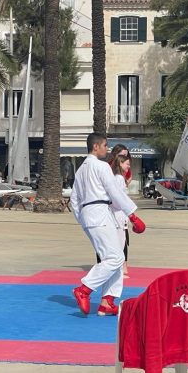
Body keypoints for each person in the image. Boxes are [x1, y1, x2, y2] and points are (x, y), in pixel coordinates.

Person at [70, 133, 146, 316]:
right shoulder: (102, 166)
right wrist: (133, 215)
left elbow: (74, 200)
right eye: (104, 145)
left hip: (90, 215)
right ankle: (85, 289)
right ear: (95, 146)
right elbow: (115, 192)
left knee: (113, 257)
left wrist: (83, 219)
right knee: (115, 258)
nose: (107, 148)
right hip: (100, 213)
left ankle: (107, 301)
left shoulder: (80, 170)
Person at [96, 144, 133, 267]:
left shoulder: (120, 176)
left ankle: (122, 265)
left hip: (118, 212)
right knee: (115, 240)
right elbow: (117, 197)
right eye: (123, 157)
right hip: (115, 212)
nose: (127, 161)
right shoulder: (110, 171)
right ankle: (113, 265)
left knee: (122, 239)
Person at [110, 154, 131, 278]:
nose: (128, 166)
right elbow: (117, 198)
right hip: (118, 215)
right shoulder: (118, 179)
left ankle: (118, 270)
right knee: (119, 243)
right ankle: (117, 271)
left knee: (121, 242)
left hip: (120, 214)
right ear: (121, 164)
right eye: (127, 164)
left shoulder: (119, 178)